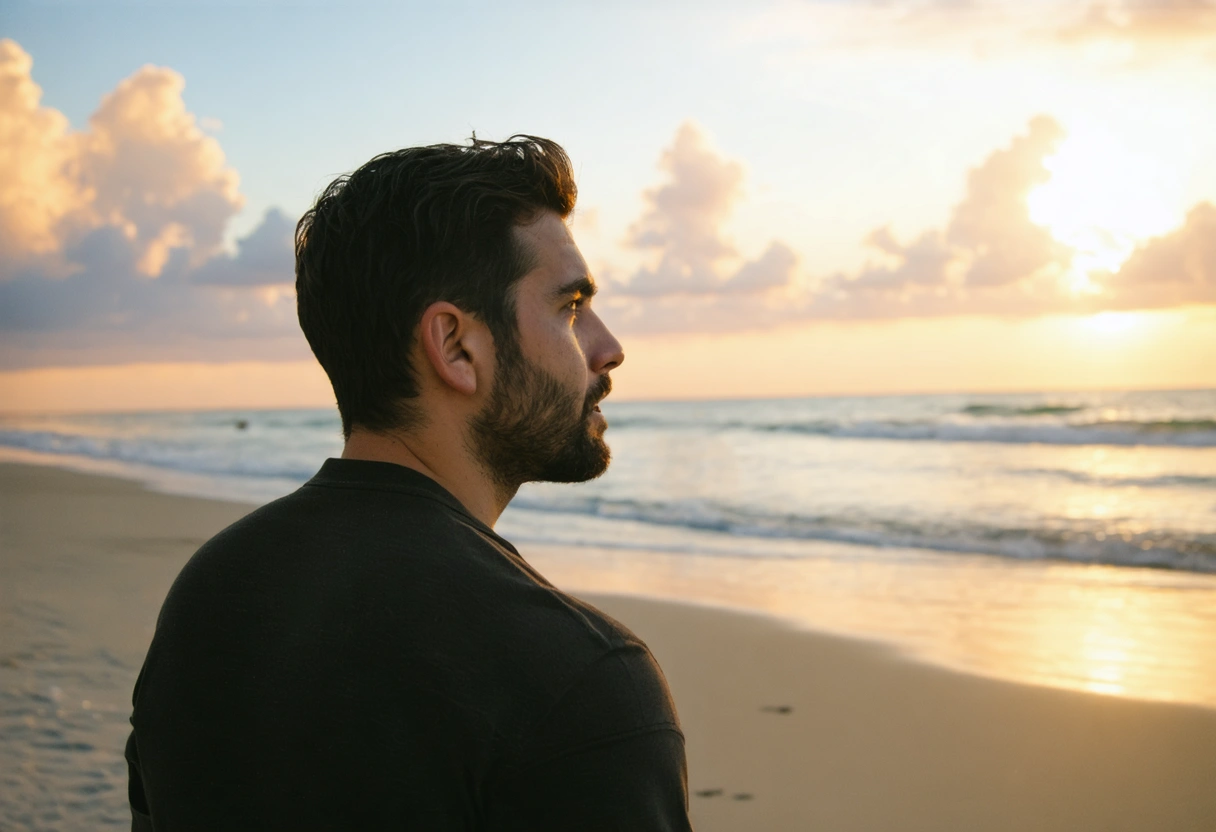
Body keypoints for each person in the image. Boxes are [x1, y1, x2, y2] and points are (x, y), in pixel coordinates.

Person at [124, 136, 693, 830]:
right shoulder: (578, 678)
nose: (608, 348)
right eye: (570, 306)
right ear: (455, 347)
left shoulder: (210, 593)